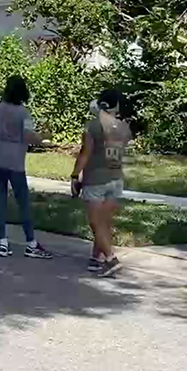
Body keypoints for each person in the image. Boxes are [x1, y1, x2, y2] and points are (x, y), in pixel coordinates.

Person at [0, 75, 52, 259]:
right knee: (23, 201)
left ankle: (3, 242)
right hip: (16, 160)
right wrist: (43, 137)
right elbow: (28, 136)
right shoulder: (23, 113)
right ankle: (31, 243)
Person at [71, 88, 130, 276]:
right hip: (115, 178)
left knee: (96, 223)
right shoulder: (123, 128)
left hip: (95, 178)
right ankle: (96, 258)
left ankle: (111, 258)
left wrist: (75, 175)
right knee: (104, 222)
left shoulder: (92, 126)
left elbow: (85, 153)